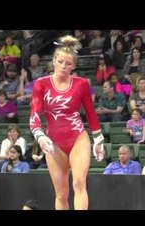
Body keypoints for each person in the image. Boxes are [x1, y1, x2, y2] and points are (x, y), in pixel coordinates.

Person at [29, 35, 105, 210]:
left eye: (68, 64)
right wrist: (39, 136)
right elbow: (34, 115)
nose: (64, 66)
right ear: (54, 61)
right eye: (61, 62)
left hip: (78, 137)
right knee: (61, 194)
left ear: (74, 66)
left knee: (79, 184)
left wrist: (98, 138)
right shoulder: (41, 84)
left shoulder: (81, 84)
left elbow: (91, 113)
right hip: (54, 143)